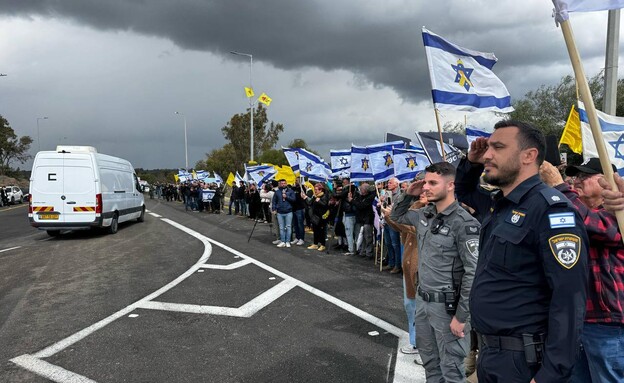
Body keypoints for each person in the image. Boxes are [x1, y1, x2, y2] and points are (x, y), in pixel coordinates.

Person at [455, 120, 589, 383]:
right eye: (488, 148)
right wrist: (471, 163)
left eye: (498, 147)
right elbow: (465, 192)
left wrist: (550, 375)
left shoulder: (551, 211)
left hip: (524, 362)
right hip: (492, 354)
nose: (488, 154)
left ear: (529, 156)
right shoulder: (501, 205)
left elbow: (569, 300)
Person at [390, 162, 480, 382]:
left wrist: (461, 317)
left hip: (448, 308)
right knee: (430, 365)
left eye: (432, 183)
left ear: (450, 185)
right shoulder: (424, 215)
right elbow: (396, 216)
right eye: (425, 182)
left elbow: (473, 273)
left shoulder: (464, 223)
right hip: (423, 303)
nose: (426, 187)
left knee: (452, 371)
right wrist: (408, 194)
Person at [540, 158, 624, 383]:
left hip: (607, 323)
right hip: (576, 321)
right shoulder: (575, 211)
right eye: (574, 176)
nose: (576, 181)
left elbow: (597, 227)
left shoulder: (618, 214)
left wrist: (559, 187)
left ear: (605, 181)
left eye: (584, 177)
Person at [382, 189, 427, 365]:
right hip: (409, 266)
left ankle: (426, 350)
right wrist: (388, 217)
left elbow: (411, 227)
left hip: (422, 269)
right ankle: (416, 343)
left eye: (431, 184)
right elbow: (400, 226)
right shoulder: (415, 207)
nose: (424, 190)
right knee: (411, 307)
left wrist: (392, 216)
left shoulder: (435, 212)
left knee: (425, 311)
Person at [350, 182, 375, 259]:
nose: (360, 190)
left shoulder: (370, 197)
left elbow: (361, 205)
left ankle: (369, 253)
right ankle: (361, 251)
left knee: (368, 237)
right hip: (360, 219)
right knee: (361, 237)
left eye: (361, 189)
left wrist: (352, 201)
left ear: (365, 190)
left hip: (368, 219)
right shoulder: (359, 196)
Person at [383, 177, 403, 273]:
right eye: (388, 183)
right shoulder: (388, 194)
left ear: (396, 184)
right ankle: (391, 263)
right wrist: (382, 202)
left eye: (390, 183)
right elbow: (385, 207)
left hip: (394, 222)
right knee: (388, 243)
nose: (388, 184)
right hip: (387, 221)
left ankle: (397, 265)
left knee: (395, 244)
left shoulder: (400, 195)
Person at [302, 182, 330, 252]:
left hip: (322, 217)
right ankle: (315, 244)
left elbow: (325, 205)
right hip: (315, 216)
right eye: (315, 189)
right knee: (315, 231)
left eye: (316, 190)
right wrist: (305, 198)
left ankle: (323, 245)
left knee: (321, 232)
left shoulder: (324, 196)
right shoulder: (315, 196)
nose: (315, 191)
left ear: (321, 190)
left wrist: (319, 201)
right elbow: (310, 203)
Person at [271, 179, 296, 248]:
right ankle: (282, 241)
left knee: (288, 227)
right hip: (280, 212)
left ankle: (287, 241)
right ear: (279, 184)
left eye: (284, 183)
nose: (283, 184)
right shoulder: (277, 192)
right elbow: (274, 201)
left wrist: (286, 196)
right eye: (281, 183)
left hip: (288, 211)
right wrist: (274, 209)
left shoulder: (290, 191)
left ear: (286, 183)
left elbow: (294, 199)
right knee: (281, 227)